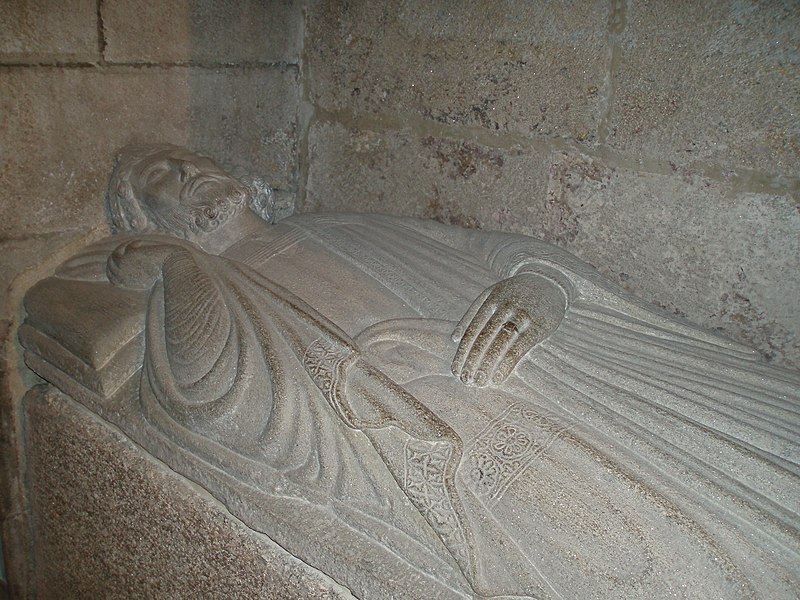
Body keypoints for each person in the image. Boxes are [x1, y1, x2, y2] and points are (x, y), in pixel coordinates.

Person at [61, 143, 800, 598]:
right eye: (163, 176)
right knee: (686, 551)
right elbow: (215, 404)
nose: (190, 171)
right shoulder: (212, 290)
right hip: (471, 427)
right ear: (150, 219)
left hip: (574, 364)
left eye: (193, 159)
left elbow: (496, 248)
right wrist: (180, 268)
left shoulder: (335, 224)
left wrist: (537, 289)